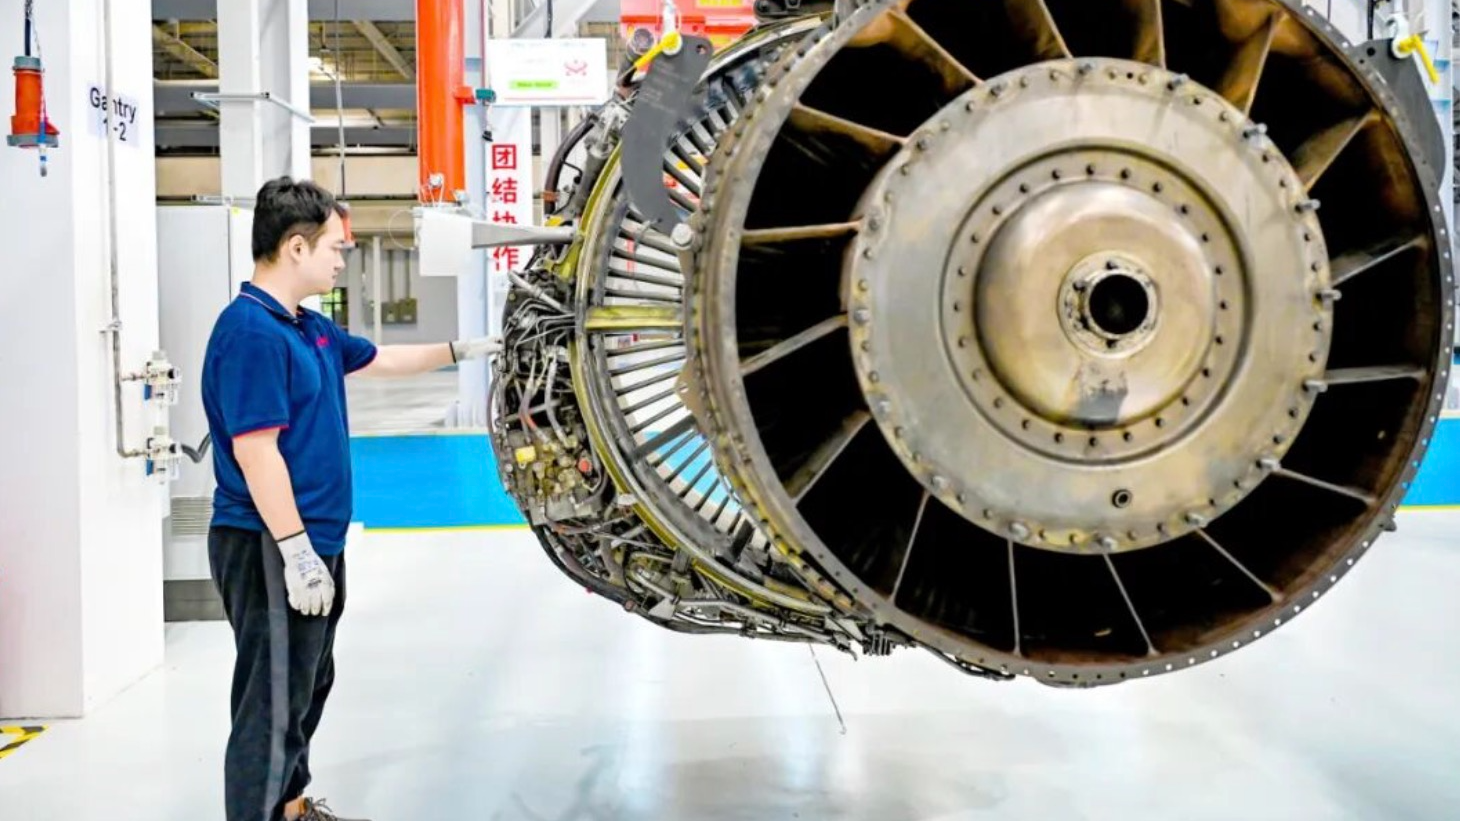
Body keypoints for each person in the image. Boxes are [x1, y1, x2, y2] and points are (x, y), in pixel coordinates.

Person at [201, 176, 497, 821]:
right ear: (296, 247)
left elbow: (380, 361)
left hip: (314, 541)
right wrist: (296, 552)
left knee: (307, 685)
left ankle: (292, 808)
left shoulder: (309, 327)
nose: (344, 258)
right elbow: (257, 452)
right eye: (337, 247)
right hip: (269, 545)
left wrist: (463, 350)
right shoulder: (252, 333)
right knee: (272, 699)